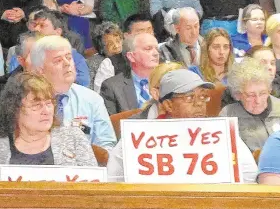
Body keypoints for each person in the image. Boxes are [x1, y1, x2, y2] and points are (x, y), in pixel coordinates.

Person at [107, 69, 258, 183]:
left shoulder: (218, 134)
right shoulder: (140, 138)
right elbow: (114, 181)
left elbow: (249, 177)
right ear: (168, 105)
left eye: (202, 96)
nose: (199, 103)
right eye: (189, 97)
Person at [0, 72, 97, 180]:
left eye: (49, 103)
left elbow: (94, 191)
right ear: (14, 110)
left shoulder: (74, 138)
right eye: (36, 105)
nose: (46, 111)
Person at [30, 35, 117, 152]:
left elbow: (106, 146)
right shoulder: (27, 101)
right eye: (58, 60)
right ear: (40, 70)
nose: (67, 63)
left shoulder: (92, 100)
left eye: (69, 58)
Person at [9, 9, 90, 87]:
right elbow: (13, 81)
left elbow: (83, 83)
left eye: (42, 26)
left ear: (57, 32)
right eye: (35, 25)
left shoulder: (73, 56)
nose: (36, 29)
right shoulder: (23, 52)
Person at [219, 57, 280, 153]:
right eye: (251, 95)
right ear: (238, 94)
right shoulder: (228, 115)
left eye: (263, 93)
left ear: (269, 90)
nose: (258, 101)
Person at [100, 33, 159, 115]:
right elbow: (111, 123)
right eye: (148, 49)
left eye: (157, 49)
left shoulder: (168, 81)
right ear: (131, 56)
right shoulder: (112, 87)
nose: (156, 53)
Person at [90, 22, 124, 92]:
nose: (116, 46)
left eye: (118, 41)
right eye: (110, 44)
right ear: (101, 48)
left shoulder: (127, 56)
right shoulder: (102, 63)